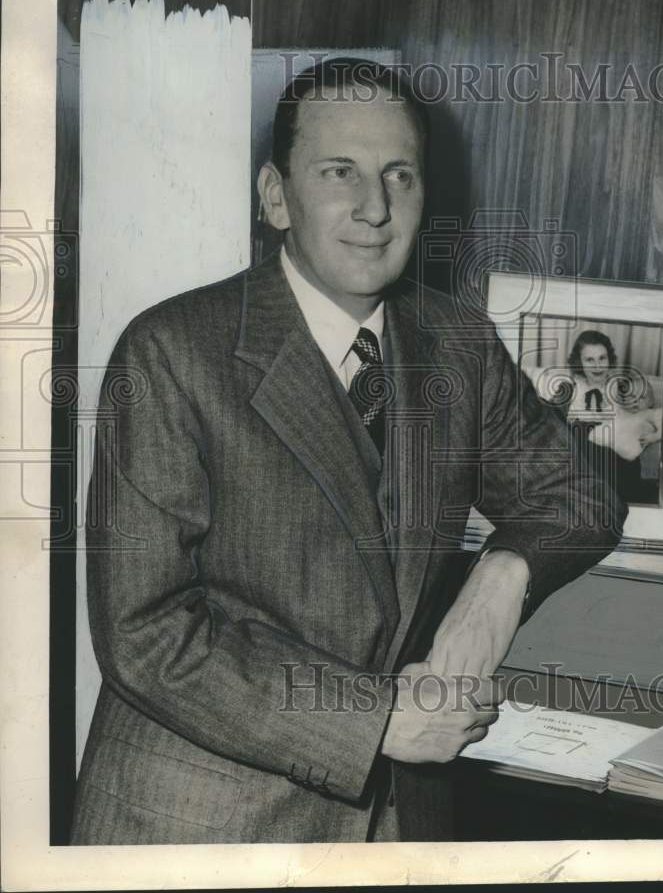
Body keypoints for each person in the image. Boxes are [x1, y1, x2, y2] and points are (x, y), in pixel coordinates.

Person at [70, 58, 626, 845]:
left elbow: (579, 494)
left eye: (399, 175)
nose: (374, 207)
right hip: (202, 829)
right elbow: (145, 633)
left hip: (395, 827)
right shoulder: (171, 350)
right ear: (275, 197)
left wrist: (497, 585)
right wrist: (376, 721)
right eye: (340, 172)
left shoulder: (456, 342)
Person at [553, 330, 662, 504]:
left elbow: (643, 410)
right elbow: (548, 419)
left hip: (614, 445)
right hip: (581, 441)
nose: (597, 366)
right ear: (579, 362)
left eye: (602, 358)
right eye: (589, 360)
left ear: (609, 359)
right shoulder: (569, 387)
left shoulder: (623, 385)